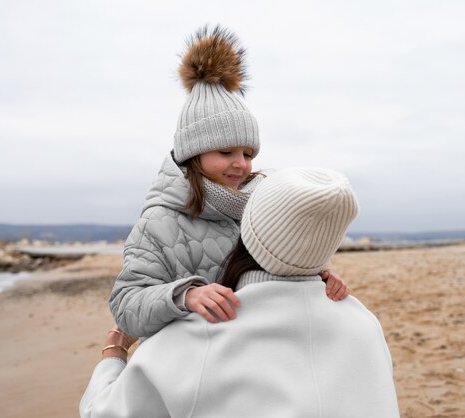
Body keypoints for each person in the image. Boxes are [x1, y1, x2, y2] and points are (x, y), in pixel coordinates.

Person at [81, 167, 400, 418]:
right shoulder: (364, 325)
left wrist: (115, 349)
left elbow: (100, 413)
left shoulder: (198, 338)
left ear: (248, 228)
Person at [110, 25, 349, 342]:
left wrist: (319, 277)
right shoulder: (159, 221)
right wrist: (185, 296)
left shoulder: (267, 205)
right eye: (226, 152)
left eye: (248, 153)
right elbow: (126, 305)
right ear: (193, 153)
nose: (242, 164)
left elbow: (284, 270)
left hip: (258, 360)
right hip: (189, 371)